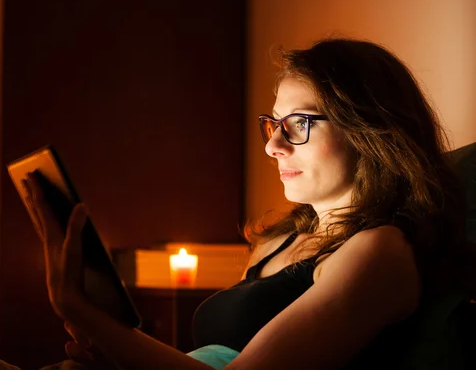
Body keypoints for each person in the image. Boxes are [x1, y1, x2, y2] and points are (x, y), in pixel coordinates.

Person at [24, 38, 467, 369]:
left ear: (368, 129)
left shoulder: (378, 252)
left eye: (298, 124)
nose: (273, 144)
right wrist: (113, 345)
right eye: (273, 124)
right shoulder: (279, 238)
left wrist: (81, 310)